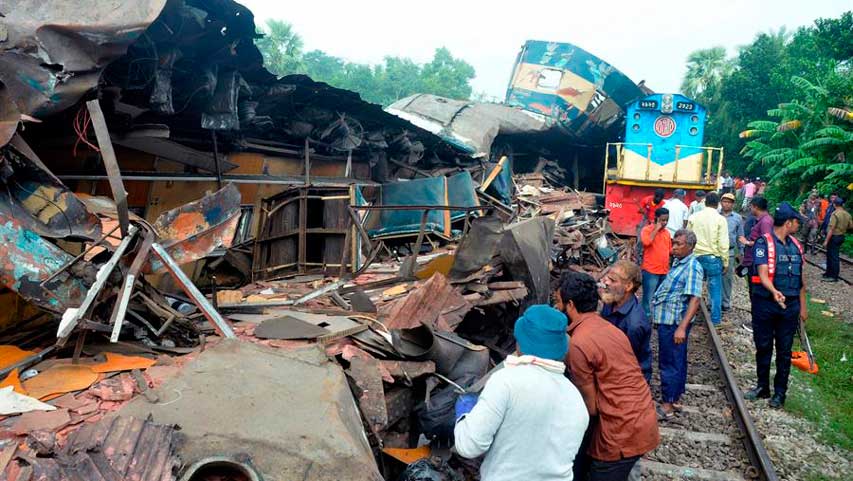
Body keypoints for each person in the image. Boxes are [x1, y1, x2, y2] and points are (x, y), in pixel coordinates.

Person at [454, 305, 589, 481]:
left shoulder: (506, 382)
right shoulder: (576, 401)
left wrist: (464, 415)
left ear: (520, 342)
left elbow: (469, 446)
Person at [556, 272, 659, 481]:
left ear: (571, 305)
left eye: (558, 303)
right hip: (641, 419)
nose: (556, 308)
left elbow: (590, 407)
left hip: (619, 432)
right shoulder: (609, 328)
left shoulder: (579, 344)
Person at [744, 203, 807, 408]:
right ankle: (763, 386)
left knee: (784, 350)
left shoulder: (796, 246)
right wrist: (774, 292)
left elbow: (801, 280)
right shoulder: (764, 243)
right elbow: (762, 274)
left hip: (790, 306)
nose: (799, 225)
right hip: (766, 303)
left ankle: (780, 393)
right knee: (763, 346)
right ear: (788, 223)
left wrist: (803, 308)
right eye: (797, 221)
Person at [651, 230, 703, 419]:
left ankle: (667, 405)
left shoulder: (692, 267)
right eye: (674, 243)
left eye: (679, 244)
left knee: (669, 362)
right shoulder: (679, 262)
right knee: (676, 360)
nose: (674, 247)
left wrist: (682, 327)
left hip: (674, 322)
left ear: (690, 247)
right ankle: (675, 398)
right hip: (669, 320)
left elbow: (695, 299)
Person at [600, 260, 652, 383]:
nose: (606, 282)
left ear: (628, 286)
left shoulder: (634, 324)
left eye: (613, 280)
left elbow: (625, 361)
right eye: (607, 278)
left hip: (629, 377)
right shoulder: (612, 302)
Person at [687, 192, 729, 325]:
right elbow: (723, 242)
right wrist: (725, 261)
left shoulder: (694, 217)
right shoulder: (720, 219)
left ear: (705, 203)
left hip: (695, 256)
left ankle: (689, 317)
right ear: (718, 204)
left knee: (692, 288)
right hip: (712, 258)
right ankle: (716, 319)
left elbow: (688, 237)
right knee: (715, 289)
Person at [639, 207, 671, 318]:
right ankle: (645, 319)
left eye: (667, 220)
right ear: (656, 219)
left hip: (663, 271)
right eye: (662, 220)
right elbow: (646, 242)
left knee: (660, 297)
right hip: (651, 271)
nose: (665, 223)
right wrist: (656, 229)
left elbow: (669, 250)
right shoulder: (647, 230)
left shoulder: (667, 233)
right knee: (648, 298)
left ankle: (657, 317)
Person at [739, 197, 773, 287]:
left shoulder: (765, 222)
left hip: (757, 262)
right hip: (753, 260)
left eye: (751, 207)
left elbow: (766, 242)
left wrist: (747, 242)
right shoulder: (760, 220)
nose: (750, 209)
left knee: (755, 288)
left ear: (756, 207)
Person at [720, 193, 744, 311]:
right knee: (713, 277)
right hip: (716, 250)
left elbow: (740, 235)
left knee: (727, 278)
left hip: (729, 251)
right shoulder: (716, 215)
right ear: (721, 202)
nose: (726, 204)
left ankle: (725, 302)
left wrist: (741, 251)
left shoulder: (737, 218)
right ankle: (711, 302)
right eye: (724, 201)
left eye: (729, 202)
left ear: (733, 204)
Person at [823, 197, 851, 283]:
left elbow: (831, 229)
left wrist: (826, 241)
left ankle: (834, 276)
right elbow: (851, 226)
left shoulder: (835, 214)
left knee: (833, 256)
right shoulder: (847, 214)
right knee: (831, 255)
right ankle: (828, 273)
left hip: (834, 237)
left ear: (834, 204)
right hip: (841, 236)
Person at [636, 188, 666, 262]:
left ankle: (651, 255)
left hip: (656, 222)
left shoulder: (663, 204)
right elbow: (639, 210)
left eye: (660, 198)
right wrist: (642, 211)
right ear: (654, 196)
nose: (658, 199)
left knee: (654, 240)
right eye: (657, 197)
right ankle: (637, 255)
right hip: (645, 220)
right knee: (641, 239)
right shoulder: (646, 200)